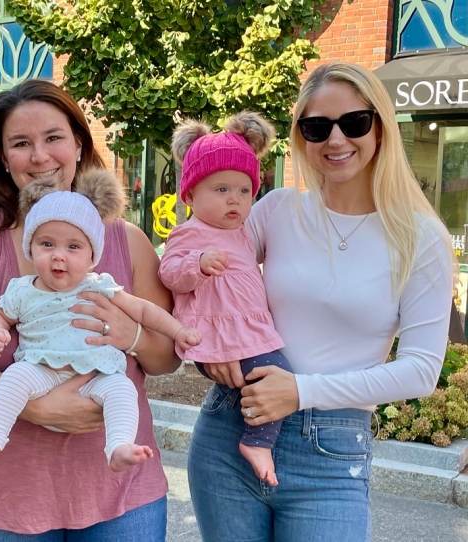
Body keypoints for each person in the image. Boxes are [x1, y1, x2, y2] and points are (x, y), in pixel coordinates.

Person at [187, 62, 452, 541]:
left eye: (354, 122)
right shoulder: (276, 210)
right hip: (231, 426)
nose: (336, 139)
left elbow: (420, 370)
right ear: (301, 136)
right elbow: (201, 274)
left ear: (380, 127)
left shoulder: (419, 237)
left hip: (330, 451)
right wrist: (208, 348)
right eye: (317, 127)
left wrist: (301, 391)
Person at [0, 79, 179, 539]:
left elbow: (166, 359)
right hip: (3, 494)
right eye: (21, 143)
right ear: (3, 158)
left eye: (53, 138)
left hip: (120, 493)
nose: (40, 156)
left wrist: (133, 337)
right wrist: (37, 407)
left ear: (79, 144)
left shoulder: (127, 241)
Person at [0, 171, 200, 471]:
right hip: (42, 370)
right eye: (47, 244)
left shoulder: (100, 285)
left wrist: (178, 330)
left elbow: (144, 311)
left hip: (96, 373)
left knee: (122, 390)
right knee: (12, 379)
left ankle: (119, 446)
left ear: (91, 257)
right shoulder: (23, 290)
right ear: (30, 248)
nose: (59, 256)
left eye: (73, 247)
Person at [159, 111, 291, 487]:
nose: (234, 200)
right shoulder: (190, 232)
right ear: (189, 195)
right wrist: (198, 264)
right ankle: (257, 443)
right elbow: (169, 272)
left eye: (244, 191)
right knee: (276, 373)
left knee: (270, 377)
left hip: (244, 327)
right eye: (221, 190)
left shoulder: (244, 232)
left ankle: (252, 438)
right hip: (216, 331)